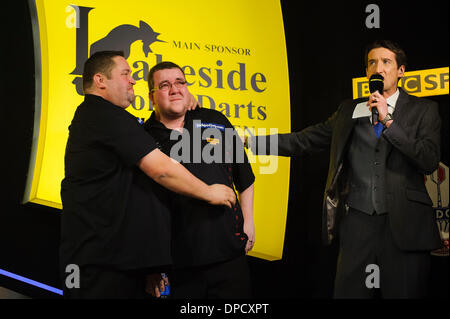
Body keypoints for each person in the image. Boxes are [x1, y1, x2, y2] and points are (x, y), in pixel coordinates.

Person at [248, 40, 441, 298]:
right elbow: (305, 140)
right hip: (357, 224)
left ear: (401, 71)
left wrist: (388, 121)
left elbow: (428, 159)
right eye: (372, 62)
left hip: (405, 226)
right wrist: (250, 140)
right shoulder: (349, 110)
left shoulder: (424, 110)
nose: (378, 68)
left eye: (386, 62)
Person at [60, 51, 236, 299]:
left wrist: (150, 265)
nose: (132, 81)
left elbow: (137, 198)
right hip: (98, 265)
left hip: (117, 261)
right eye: (125, 74)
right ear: (100, 81)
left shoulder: (108, 119)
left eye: (180, 84)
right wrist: (209, 192)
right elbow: (161, 170)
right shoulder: (103, 115)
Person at [143, 61, 255, 298]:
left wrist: (249, 222)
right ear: (152, 97)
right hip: (180, 263)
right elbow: (140, 206)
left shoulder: (215, 120)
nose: (175, 89)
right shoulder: (143, 137)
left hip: (229, 254)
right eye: (165, 85)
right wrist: (151, 264)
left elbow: (244, 174)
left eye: (180, 82)